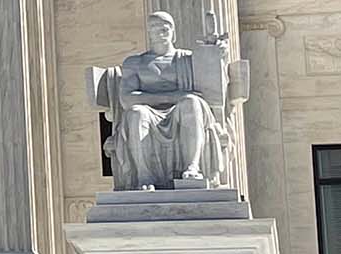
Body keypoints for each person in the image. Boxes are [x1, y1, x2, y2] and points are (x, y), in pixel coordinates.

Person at [88, 12, 234, 190]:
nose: (159, 33)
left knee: (192, 103)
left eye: (164, 29)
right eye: (154, 29)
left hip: (182, 112)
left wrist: (217, 54)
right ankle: (144, 175)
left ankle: (192, 167)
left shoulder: (188, 59)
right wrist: (173, 96)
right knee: (136, 113)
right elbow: (127, 100)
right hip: (148, 115)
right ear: (148, 33)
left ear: (173, 32)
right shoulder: (135, 63)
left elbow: (214, 87)